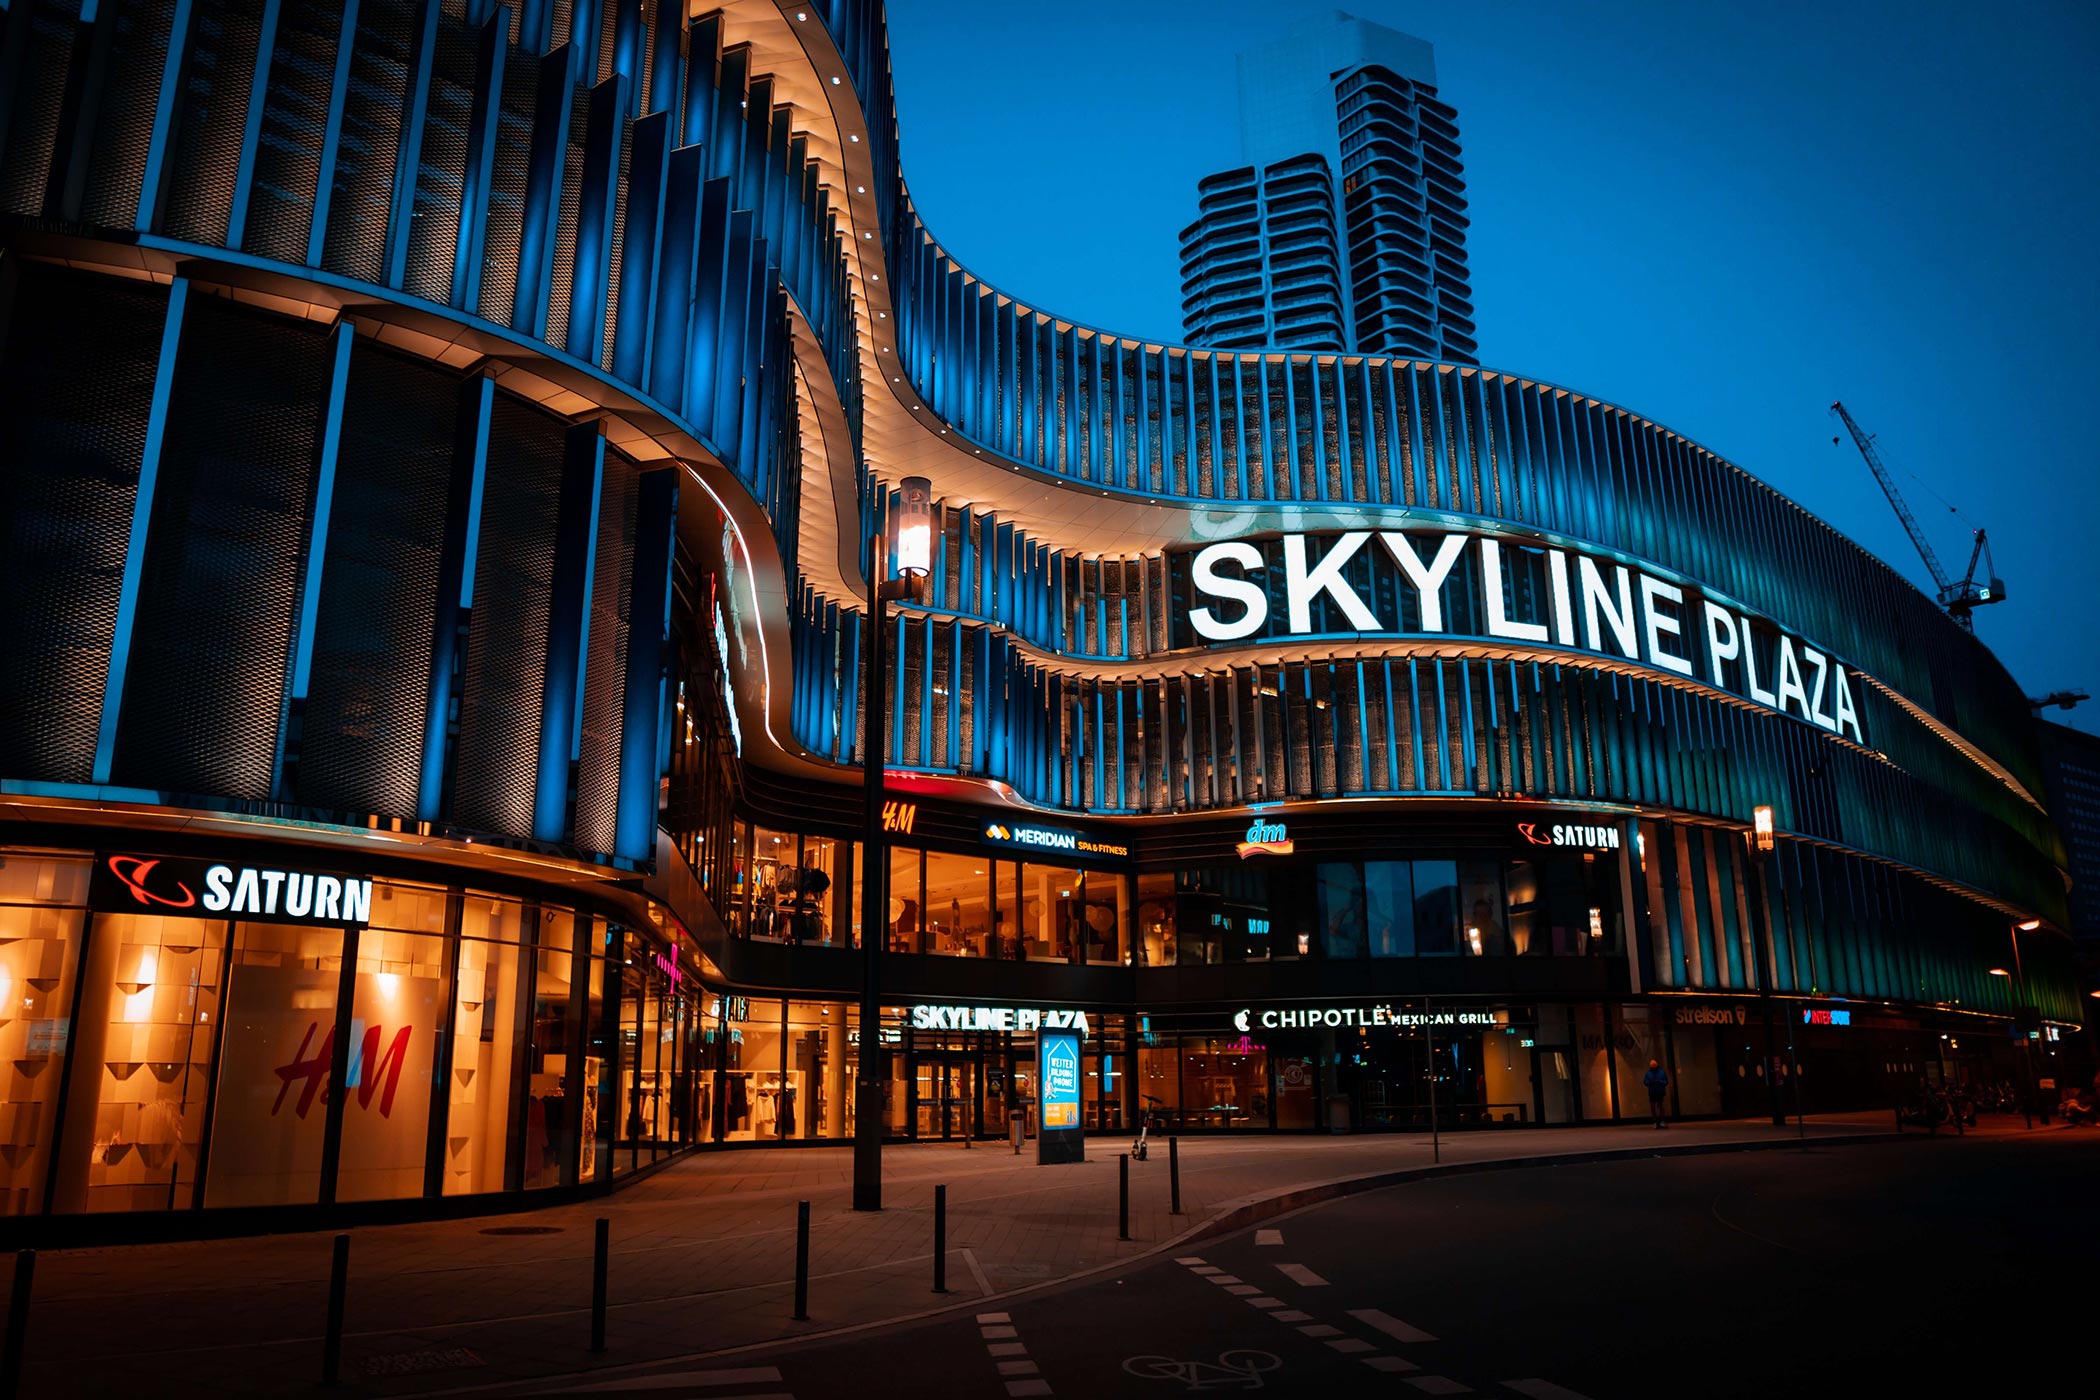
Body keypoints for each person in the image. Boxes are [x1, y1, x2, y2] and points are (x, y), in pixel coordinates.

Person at [1643, 1059, 1670, 1128]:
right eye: (1652, 1066)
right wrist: (1651, 1082)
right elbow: (1645, 1082)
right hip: (1654, 1091)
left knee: (1659, 1106)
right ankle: (1657, 1121)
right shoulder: (1650, 1073)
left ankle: (1660, 1121)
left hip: (1658, 1091)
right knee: (1655, 1107)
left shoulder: (1660, 1073)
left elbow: (1666, 1082)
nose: (1653, 1067)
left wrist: (1658, 1081)